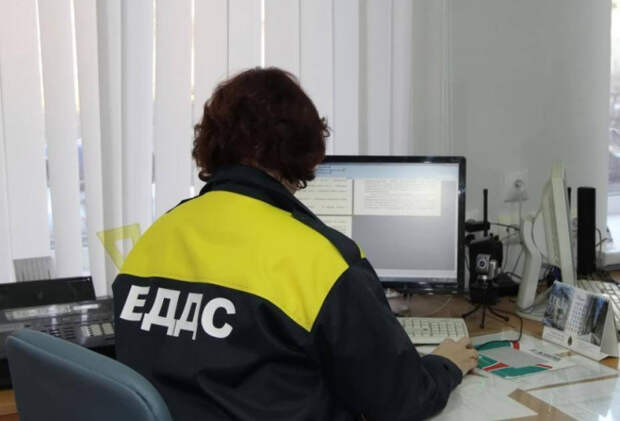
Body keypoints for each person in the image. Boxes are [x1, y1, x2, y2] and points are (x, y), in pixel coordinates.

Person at [113, 67, 478, 421]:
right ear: (303, 147)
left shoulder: (157, 235)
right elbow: (400, 401)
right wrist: (444, 365)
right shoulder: (322, 259)